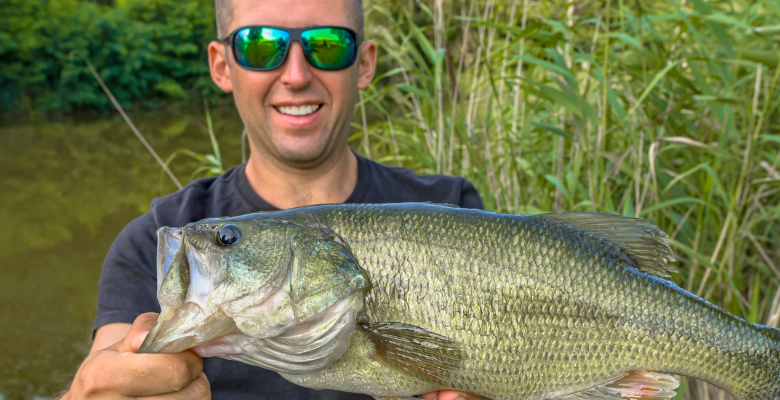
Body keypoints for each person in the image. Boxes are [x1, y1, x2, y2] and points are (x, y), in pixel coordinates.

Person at [60, 0, 489, 399]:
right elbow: (110, 362)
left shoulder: (455, 208)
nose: (297, 75)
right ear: (221, 65)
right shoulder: (146, 244)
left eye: (328, 44)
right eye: (262, 45)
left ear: (365, 63)